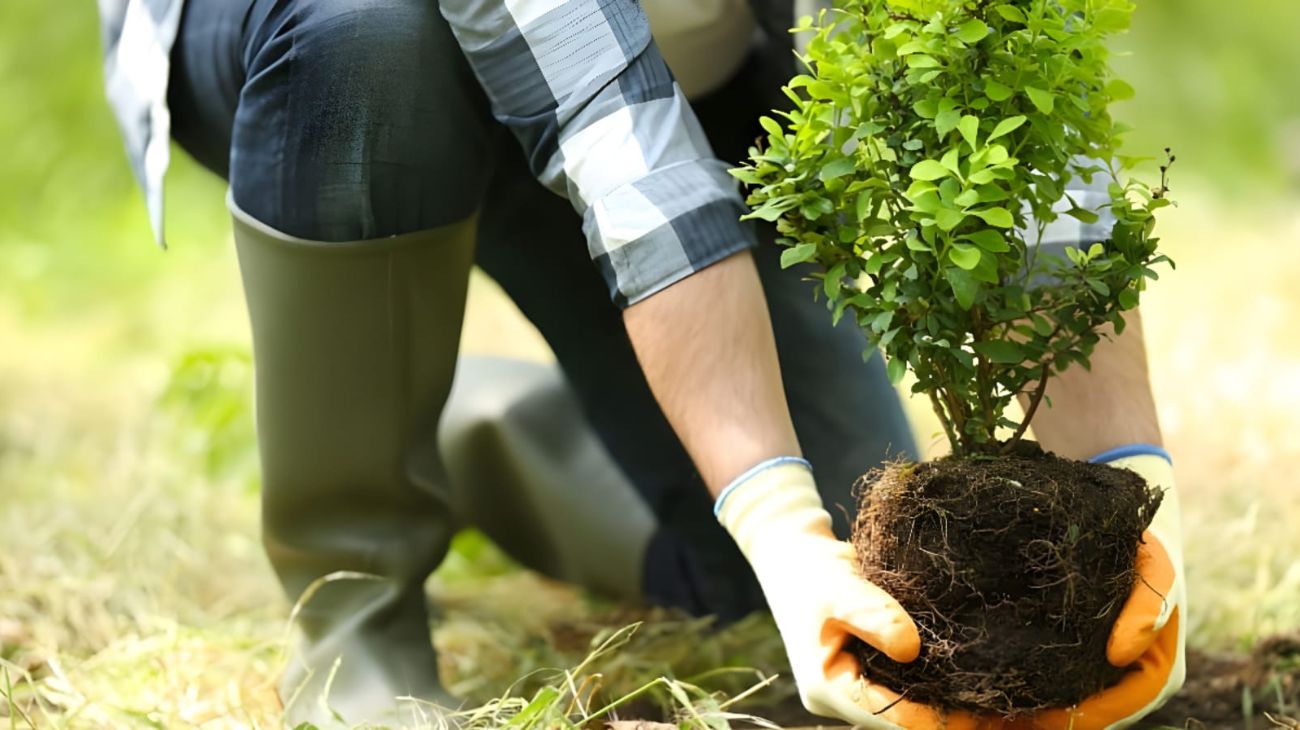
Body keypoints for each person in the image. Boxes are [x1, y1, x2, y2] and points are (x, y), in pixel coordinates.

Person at [95, 0, 1186, 727]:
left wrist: (1138, 498)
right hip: (336, 58)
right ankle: (355, 602)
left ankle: (480, 432)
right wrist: (774, 514)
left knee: (820, 589)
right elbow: (614, 131)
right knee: (371, 34)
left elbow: (974, 55)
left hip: (696, 52)